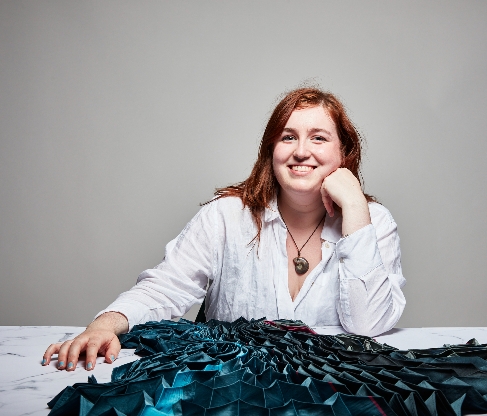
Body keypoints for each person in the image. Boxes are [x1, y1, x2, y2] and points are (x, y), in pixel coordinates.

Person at [42, 87, 406, 372]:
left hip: (333, 392)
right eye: (288, 137)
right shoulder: (226, 216)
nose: (301, 151)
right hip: (230, 388)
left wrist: (356, 207)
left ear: (345, 153)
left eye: (319, 138)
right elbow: (165, 287)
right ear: (271, 150)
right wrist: (103, 325)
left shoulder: (375, 221)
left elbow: (367, 325)